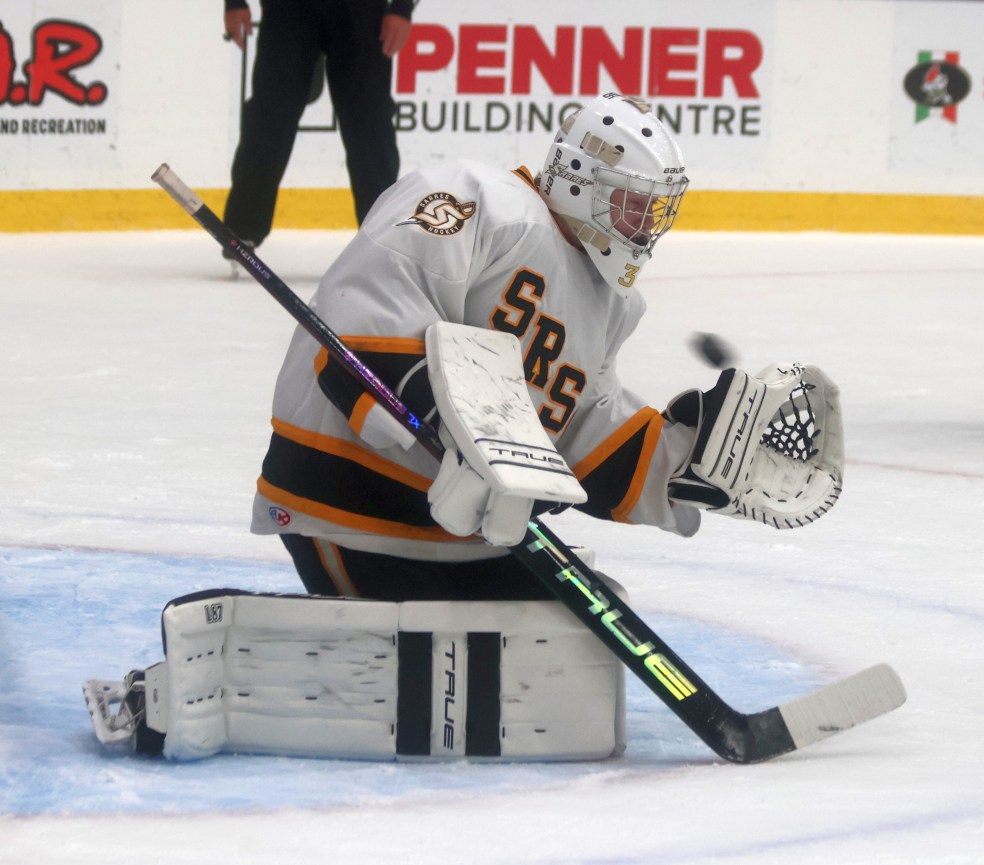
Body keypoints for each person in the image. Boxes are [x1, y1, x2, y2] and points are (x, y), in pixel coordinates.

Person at [250, 92, 844, 603]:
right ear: (581, 179)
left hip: (461, 534)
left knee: (576, 640)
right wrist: (451, 425)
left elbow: (583, 423)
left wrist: (682, 466)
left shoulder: (612, 303)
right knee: (440, 667)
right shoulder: (474, 199)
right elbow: (367, 312)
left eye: (656, 210)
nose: (645, 226)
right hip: (352, 505)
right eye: (633, 204)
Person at [221, 0, 415, 256]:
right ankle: (242, 230)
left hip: (362, 11)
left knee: (370, 125)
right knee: (270, 116)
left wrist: (402, 7)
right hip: (289, 9)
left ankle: (384, 241)